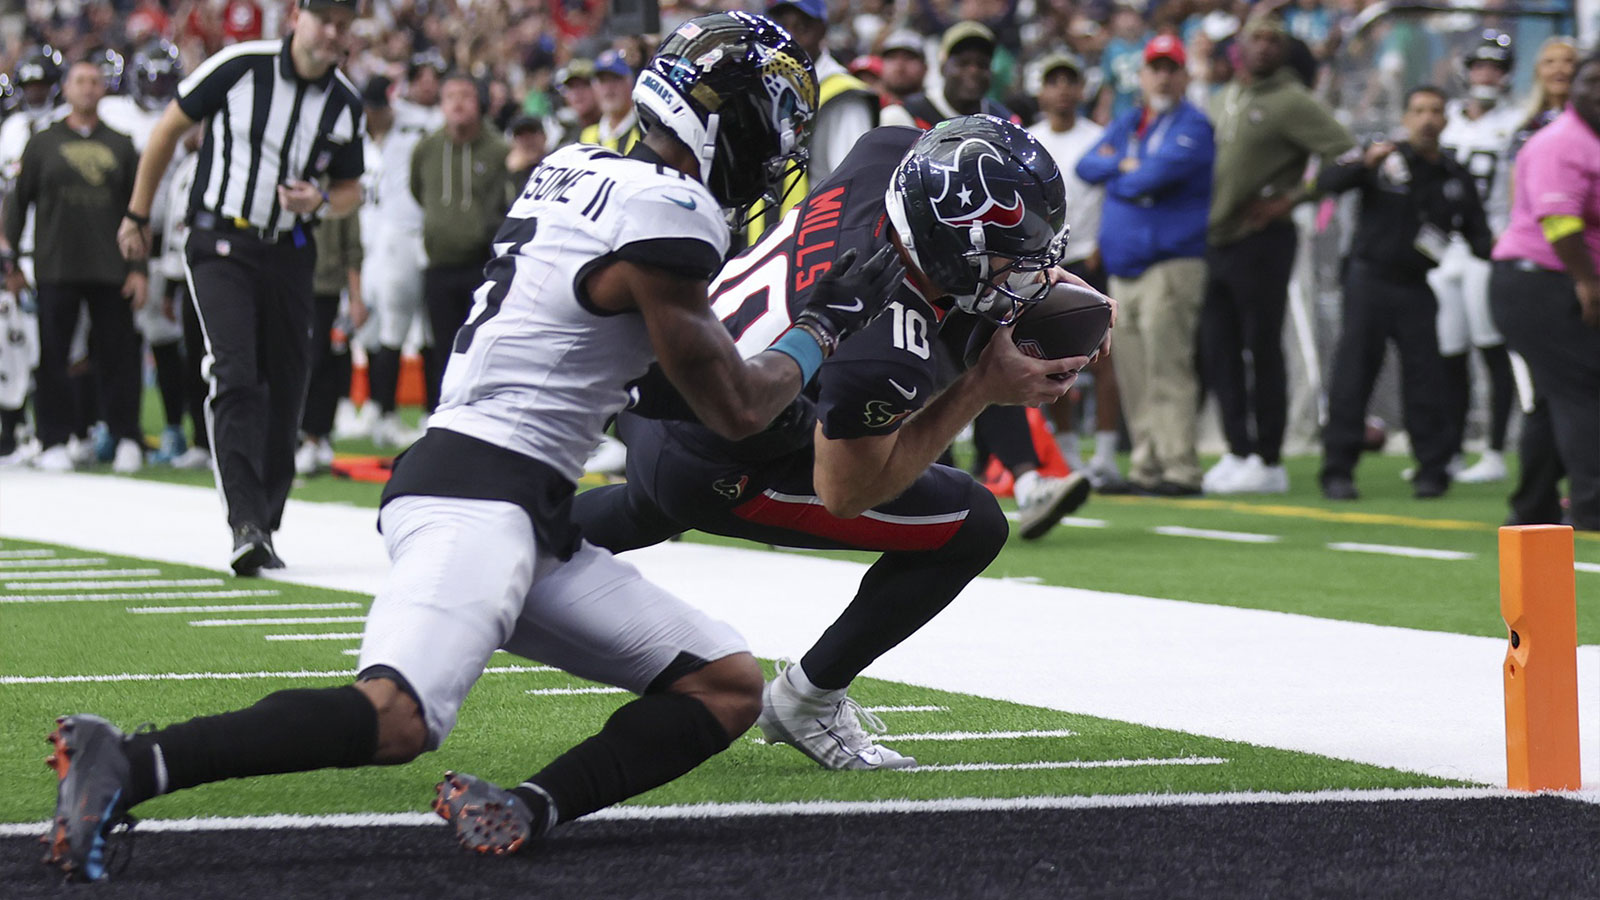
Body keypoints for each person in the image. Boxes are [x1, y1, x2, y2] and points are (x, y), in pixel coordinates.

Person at [41, 12, 890, 881]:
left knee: (726, 683)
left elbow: (615, 359)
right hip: (478, 494)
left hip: (523, 504)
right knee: (397, 717)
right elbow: (736, 407)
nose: (777, 149)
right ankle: (132, 761)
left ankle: (527, 806)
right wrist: (824, 326)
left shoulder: (574, 165)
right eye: (772, 125)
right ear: (727, 124)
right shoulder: (667, 211)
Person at [574, 114, 1090, 770]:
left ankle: (509, 530)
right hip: (715, 457)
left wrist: (1036, 282)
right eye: (1013, 258)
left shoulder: (888, 157)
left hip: (674, 376)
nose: (1032, 272)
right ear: (953, 245)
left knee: (648, 502)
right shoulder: (883, 351)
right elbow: (847, 492)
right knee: (973, 524)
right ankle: (808, 700)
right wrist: (982, 385)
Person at [116, 0, 367, 575]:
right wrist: (137, 215)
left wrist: (322, 200)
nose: (332, 33)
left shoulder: (345, 100)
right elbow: (167, 130)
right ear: (296, 16)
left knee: (288, 383)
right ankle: (246, 523)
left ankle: (266, 518)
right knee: (235, 372)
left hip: (290, 251)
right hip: (219, 241)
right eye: (323, 19)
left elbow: (351, 186)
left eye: (342, 24)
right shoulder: (239, 65)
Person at [903, 21, 1089, 539]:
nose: (972, 71)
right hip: (921, 272)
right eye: (962, 61)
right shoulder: (905, 113)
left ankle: (1027, 482)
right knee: (924, 376)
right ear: (943, 65)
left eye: (981, 63)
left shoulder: (1002, 122)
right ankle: (925, 488)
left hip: (985, 273)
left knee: (991, 362)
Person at [1314, 86, 1492, 501]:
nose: (1427, 119)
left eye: (1435, 111)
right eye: (1419, 111)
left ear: (1446, 119)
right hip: (1369, 280)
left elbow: (1480, 237)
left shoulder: (1453, 174)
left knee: (1426, 380)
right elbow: (1328, 182)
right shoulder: (1383, 158)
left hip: (1416, 285)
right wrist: (1363, 162)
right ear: (1407, 117)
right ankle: (1338, 469)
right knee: (1353, 375)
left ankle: (1433, 469)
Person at [1202, 15, 1353, 494]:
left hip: (1262, 237)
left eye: (1275, 40)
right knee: (1219, 349)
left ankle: (1269, 457)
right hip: (1215, 238)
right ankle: (1237, 449)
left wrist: (1292, 198)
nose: (1265, 47)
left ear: (1285, 51)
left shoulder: (1292, 101)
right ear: (1239, 47)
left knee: (1261, 346)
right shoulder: (1222, 98)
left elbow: (1343, 152)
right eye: (1257, 39)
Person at [1077, 36, 1214, 496]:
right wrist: (1129, 169)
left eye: (1171, 67)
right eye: (1155, 68)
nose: (1162, 76)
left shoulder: (1194, 124)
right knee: (1134, 368)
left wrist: (1126, 170)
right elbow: (1086, 165)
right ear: (1141, 76)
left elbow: (1151, 176)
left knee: (1167, 365)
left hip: (1170, 264)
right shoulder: (1131, 122)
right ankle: (1146, 465)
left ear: (1184, 75)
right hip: (1126, 265)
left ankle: (1179, 466)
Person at [3, 60, 145, 474]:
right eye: (80, 81)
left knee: (119, 356)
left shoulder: (121, 144)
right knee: (53, 357)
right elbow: (16, 206)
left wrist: (138, 269)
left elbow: (138, 212)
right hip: (55, 265)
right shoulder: (42, 142)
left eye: (94, 81)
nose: (87, 88)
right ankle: (54, 438)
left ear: (104, 89)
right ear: (66, 88)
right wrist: (10, 263)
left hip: (111, 266)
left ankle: (125, 436)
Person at [1489, 51, 1600, 531]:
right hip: (1542, 279)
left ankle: (1532, 507)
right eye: (1590, 81)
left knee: (1557, 396)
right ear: (1571, 88)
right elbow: (1560, 222)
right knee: (1584, 390)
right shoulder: (1563, 142)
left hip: (1555, 279)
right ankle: (1592, 506)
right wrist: (1587, 282)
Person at [1428, 30, 1521, 486]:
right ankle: (1448, 450)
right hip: (1445, 249)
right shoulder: (1444, 119)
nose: (1487, 73)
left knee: (1491, 348)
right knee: (1448, 351)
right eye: (1481, 65)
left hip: (1489, 244)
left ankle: (1495, 448)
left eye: (1496, 67)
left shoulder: (1515, 123)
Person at [1025, 51, 1117, 485]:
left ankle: (1105, 454)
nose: (1062, 88)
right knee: (1055, 357)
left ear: (1082, 89)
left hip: (1089, 259)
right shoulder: (1027, 141)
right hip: (1047, 265)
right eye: (1053, 79)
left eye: (1070, 79)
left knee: (1104, 360)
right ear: (1040, 90)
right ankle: (1066, 455)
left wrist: (1104, 244)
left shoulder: (1100, 138)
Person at [1499, 36, 1578, 527]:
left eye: (1569, 61)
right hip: (1545, 271)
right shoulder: (1526, 130)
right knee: (1544, 395)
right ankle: (1537, 498)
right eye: (1548, 60)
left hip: (1581, 267)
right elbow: (1518, 206)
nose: (1559, 69)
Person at [743, 0, 894, 245]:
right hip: (760, 249)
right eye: (780, 25)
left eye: (801, 26)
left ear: (822, 30)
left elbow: (854, 191)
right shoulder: (765, 90)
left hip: (811, 252)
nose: (788, 36)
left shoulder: (842, 95)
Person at [410, 73, 508, 406]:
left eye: (465, 95)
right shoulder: (426, 148)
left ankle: (481, 418)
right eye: (450, 95)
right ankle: (441, 418)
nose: (457, 103)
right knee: (441, 347)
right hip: (439, 265)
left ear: (479, 103)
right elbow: (417, 191)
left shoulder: (498, 150)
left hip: (482, 267)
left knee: (483, 350)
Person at [365, 52, 443, 448]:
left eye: (435, 78)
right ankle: (383, 412)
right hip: (397, 231)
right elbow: (375, 113)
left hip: (430, 233)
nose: (430, 84)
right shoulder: (396, 114)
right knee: (394, 326)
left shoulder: (444, 116)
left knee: (432, 328)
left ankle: (433, 411)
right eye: (424, 77)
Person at [295, 205, 364, 475]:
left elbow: (353, 247)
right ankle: (304, 436)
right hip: (296, 284)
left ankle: (317, 434)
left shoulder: (343, 191)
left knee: (326, 361)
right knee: (303, 361)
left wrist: (356, 297)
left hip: (329, 288)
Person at [577, 49, 641, 153]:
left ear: (630, 83)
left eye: (615, 79)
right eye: (603, 81)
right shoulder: (587, 137)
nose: (608, 88)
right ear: (594, 87)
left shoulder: (645, 133)